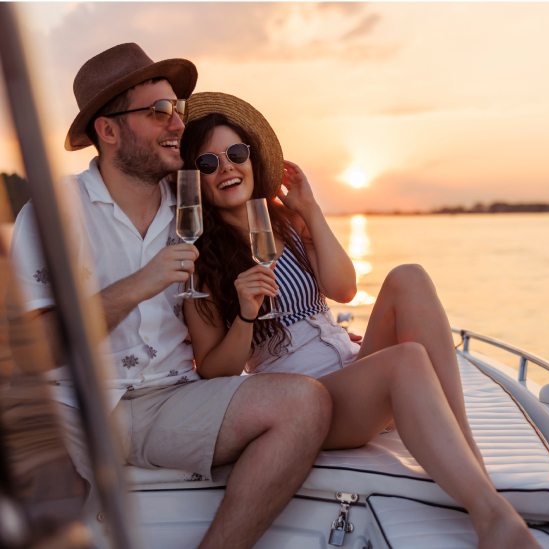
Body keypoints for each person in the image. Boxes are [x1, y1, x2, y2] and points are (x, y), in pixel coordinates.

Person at [180, 91, 544, 549]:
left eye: (235, 153)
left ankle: (474, 468)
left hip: (351, 369)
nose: (227, 167)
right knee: (407, 360)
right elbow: (215, 370)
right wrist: (246, 314)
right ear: (196, 181)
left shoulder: (286, 224)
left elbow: (344, 289)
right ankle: (493, 518)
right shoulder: (201, 262)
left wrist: (309, 209)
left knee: (409, 276)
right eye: (208, 163)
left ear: (252, 159)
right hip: (311, 402)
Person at [8, 44, 333, 549]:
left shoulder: (191, 207)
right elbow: (36, 350)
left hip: (173, 399)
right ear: (108, 130)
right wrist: (139, 284)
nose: (177, 123)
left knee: (305, 404)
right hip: (75, 407)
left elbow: (261, 267)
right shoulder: (57, 212)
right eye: (159, 112)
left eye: (176, 110)